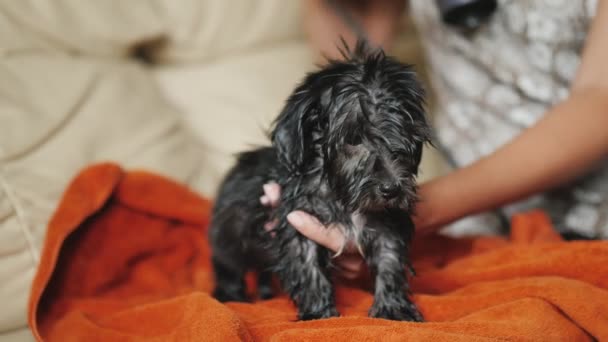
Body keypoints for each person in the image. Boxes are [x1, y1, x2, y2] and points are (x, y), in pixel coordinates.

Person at [260, 0, 608, 280]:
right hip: (469, 222)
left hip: (590, 215)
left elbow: (600, 100)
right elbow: (357, 68)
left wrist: (422, 210)